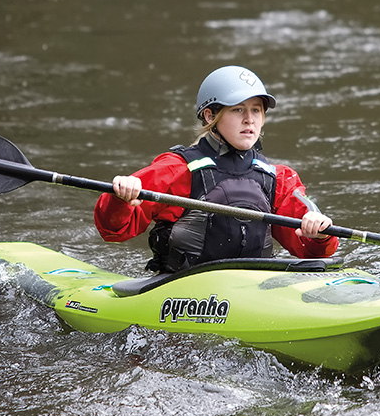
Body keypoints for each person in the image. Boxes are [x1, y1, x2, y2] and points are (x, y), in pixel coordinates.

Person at [94, 65, 337, 272]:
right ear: (210, 116)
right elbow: (114, 231)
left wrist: (321, 234)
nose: (249, 119)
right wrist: (120, 198)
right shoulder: (178, 170)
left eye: (256, 110)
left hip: (253, 287)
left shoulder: (278, 179)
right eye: (238, 109)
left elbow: (312, 252)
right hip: (183, 287)